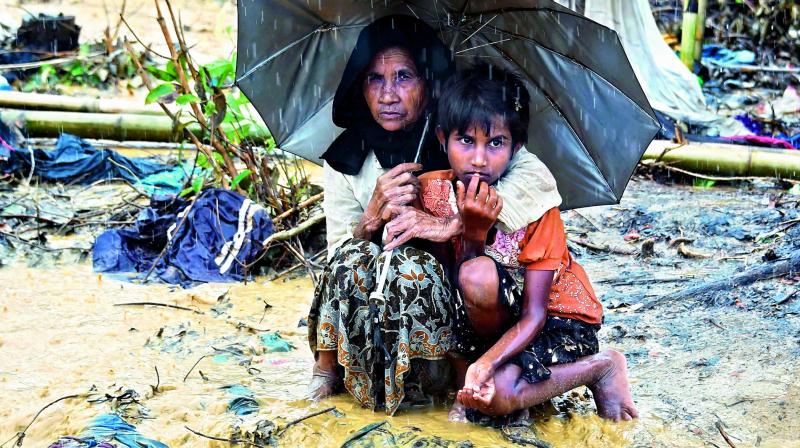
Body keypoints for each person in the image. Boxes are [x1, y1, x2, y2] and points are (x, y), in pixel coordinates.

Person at [307, 15, 563, 416]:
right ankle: (332, 372)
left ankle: (435, 379)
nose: (387, 94)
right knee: (349, 261)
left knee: (416, 268)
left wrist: (450, 223)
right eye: (375, 79)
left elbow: (534, 178)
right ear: (360, 86)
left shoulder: (461, 135)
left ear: (428, 85)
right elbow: (337, 255)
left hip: (448, 299)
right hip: (378, 297)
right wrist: (370, 219)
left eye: (404, 76)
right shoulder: (346, 158)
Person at [404, 64, 638, 422]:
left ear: (516, 147)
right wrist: (471, 232)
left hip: (555, 321)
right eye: (465, 141)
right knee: (469, 278)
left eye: (496, 143)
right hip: (491, 321)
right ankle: (500, 374)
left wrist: (485, 364)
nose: (479, 159)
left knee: (499, 395)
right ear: (441, 138)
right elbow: (452, 285)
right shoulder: (433, 193)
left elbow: (535, 315)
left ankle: (601, 367)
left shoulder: (535, 204)